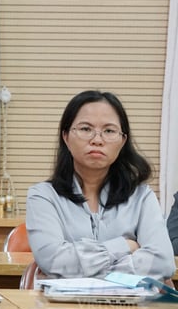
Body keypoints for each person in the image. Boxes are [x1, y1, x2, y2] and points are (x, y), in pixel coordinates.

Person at [26, 90, 175, 281]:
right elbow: (54, 261)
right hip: (62, 308)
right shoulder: (43, 196)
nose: (97, 140)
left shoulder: (142, 197)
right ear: (65, 136)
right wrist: (124, 246)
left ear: (122, 141)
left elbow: (162, 262)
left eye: (109, 131)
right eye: (86, 129)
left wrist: (87, 268)